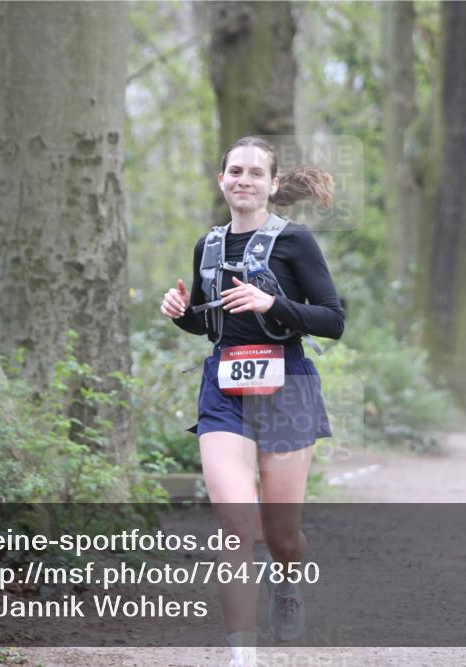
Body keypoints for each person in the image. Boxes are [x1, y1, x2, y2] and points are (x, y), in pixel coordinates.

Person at [159, 136, 344, 667]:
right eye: (234, 171)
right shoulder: (208, 247)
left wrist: (274, 302)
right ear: (222, 180)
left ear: (273, 184)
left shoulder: (296, 242)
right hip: (224, 389)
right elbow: (208, 322)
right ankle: (243, 654)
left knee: (281, 534)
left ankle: (286, 584)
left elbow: (332, 320)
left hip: (288, 385)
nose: (244, 180)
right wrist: (181, 311)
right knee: (237, 522)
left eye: (255, 172)